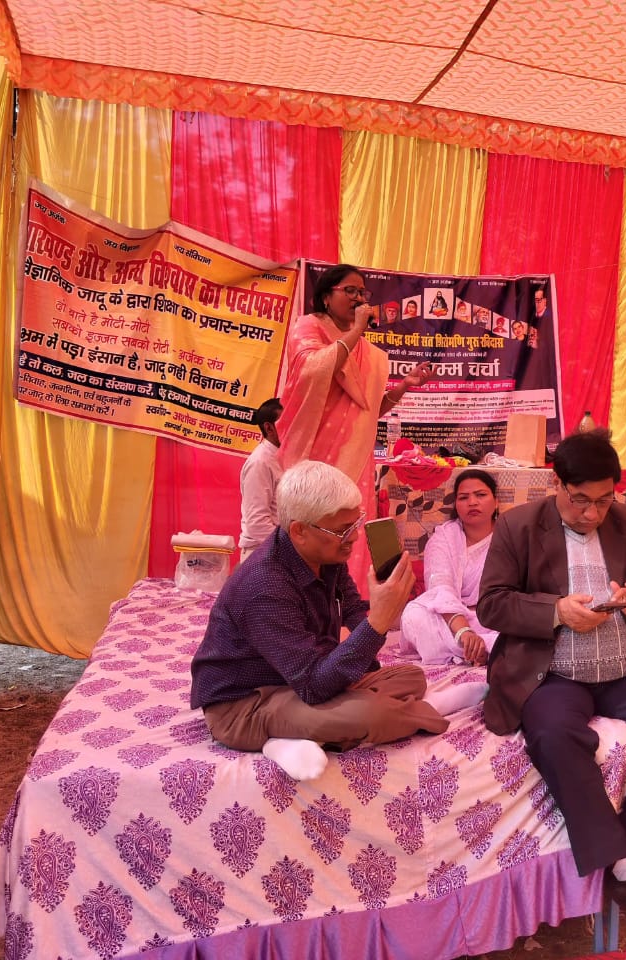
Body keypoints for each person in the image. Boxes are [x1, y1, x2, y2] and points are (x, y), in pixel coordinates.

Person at [477, 431, 626, 943]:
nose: (592, 513)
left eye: (604, 501)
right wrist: (556, 611)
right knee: (555, 736)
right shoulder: (519, 525)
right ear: (557, 484)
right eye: (580, 500)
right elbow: (491, 604)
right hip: (554, 671)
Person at [190, 461, 484, 781]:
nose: (354, 536)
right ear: (300, 531)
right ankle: (425, 711)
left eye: (355, 523)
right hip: (247, 704)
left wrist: (380, 611)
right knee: (372, 713)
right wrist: (378, 623)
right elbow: (314, 686)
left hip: (298, 678)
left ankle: (304, 732)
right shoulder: (264, 586)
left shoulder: (323, 554)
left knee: (410, 678)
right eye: (343, 530)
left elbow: (353, 609)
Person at [276, 265, 433, 582]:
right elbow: (311, 370)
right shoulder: (308, 327)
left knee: (348, 530)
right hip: (315, 455)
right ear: (325, 296)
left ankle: (346, 598)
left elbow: (369, 410)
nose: (359, 298)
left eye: (362, 292)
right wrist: (356, 331)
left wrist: (404, 386)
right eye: (349, 290)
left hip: (355, 461)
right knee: (313, 527)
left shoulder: (368, 352)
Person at [399, 470, 501, 665]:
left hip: (493, 618)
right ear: (456, 505)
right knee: (414, 615)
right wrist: (464, 631)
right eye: (463, 497)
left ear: (496, 502)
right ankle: (485, 648)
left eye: (480, 495)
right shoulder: (443, 538)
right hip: (451, 620)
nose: (472, 502)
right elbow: (440, 589)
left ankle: (476, 648)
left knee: (524, 624)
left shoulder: (509, 536)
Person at [238, 397, 284, 562]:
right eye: (287, 422)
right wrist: (291, 549)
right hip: (262, 554)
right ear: (269, 428)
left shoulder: (286, 456)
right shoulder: (260, 462)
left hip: (279, 551)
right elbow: (257, 524)